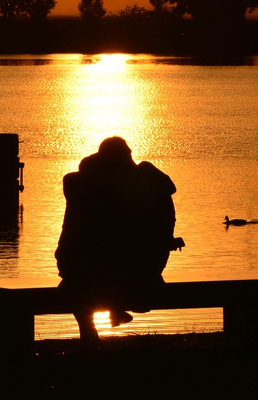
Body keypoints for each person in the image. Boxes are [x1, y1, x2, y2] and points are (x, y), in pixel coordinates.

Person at [56, 136, 185, 343]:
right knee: (90, 277)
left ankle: (92, 330)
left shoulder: (80, 185)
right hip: (131, 275)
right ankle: (108, 315)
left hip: (79, 272)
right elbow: (168, 187)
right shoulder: (135, 187)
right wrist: (144, 168)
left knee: (76, 285)